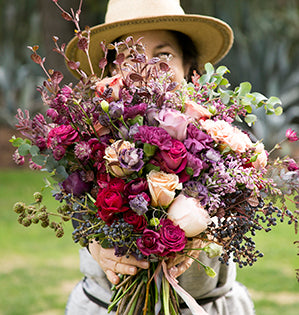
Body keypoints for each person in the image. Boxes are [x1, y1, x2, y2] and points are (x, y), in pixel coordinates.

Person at [65, 0, 255, 314]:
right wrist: (95, 243)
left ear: (189, 68)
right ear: (112, 70)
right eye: (128, 57)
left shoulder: (219, 139)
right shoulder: (87, 136)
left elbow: (237, 209)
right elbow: (75, 210)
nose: (147, 69)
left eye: (164, 55)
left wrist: (204, 235)